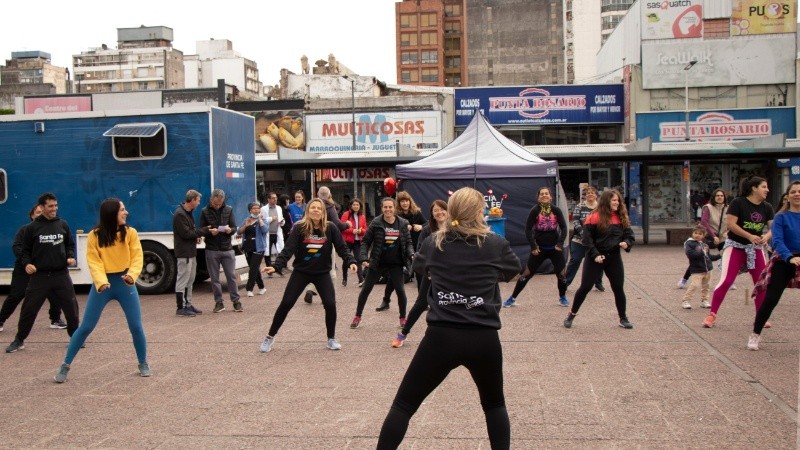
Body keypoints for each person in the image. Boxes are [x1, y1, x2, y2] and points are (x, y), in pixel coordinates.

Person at [376, 187, 520, 449]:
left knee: (404, 405)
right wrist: (486, 274)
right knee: (494, 405)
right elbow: (514, 271)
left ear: (451, 212)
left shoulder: (435, 242)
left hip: (442, 337)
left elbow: (418, 267)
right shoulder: (494, 243)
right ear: (479, 213)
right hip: (483, 337)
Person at [53, 198, 150, 383]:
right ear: (111, 213)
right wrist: (101, 282)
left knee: (136, 326)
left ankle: (143, 362)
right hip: (102, 285)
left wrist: (132, 275)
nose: (126, 212)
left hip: (125, 283)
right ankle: (65, 365)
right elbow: (94, 261)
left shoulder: (130, 233)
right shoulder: (94, 235)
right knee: (86, 327)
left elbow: (137, 256)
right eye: (122, 209)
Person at [258, 198, 357, 353]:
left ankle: (331, 339)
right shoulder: (300, 228)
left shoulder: (330, 228)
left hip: (322, 273)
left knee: (330, 304)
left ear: (323, 212)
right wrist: (276, 266)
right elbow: (288, 250)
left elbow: (342, 248)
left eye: (319, 208)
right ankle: (269, 337)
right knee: (286, 303)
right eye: (313, 208)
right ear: (308, 211)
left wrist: (350, 260)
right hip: (301, 272)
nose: (316, 210)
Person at [6, 192, 81, 353]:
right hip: (39, 277)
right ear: (41, 207)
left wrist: (70, 257)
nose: (54, 209)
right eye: (50, 206)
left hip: (61, 275)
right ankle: (19, 340)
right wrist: (27, 264)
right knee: (28, 309)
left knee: (71, 308)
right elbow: (24, 251)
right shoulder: (31, 228)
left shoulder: (62, 224)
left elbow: (69, 245)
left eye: (56, 205)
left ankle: (75, 338)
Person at [702, 176, 774, 328]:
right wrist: (749, 236)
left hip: (756, 249)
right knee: (727, 281)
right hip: (736, 246)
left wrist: (766, 237)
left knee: (761, 283)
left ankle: (760, 317)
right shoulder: (738, 203)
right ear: (754, 188)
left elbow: (772, 228)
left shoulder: (767, 207)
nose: (767, 190)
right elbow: (731, 224)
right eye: (764, 187)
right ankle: (712, 314)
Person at [563, 189, 635, 330]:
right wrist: (595, 254)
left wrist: (627, 242)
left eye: (618, 200)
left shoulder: (621, 217)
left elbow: (629, 235)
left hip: (613, 257)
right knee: (585, 287)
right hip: (595, 257)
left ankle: (623, 317)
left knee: (618, 288)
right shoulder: (594, 217)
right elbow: (587, 240)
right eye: (614, 200)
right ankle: (571, 314)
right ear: (606, 201)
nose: (617, 202)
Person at [747, 181, 800, 350]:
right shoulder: (781, 217)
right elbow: (777, 241)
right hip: (784, 260)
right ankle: (755, 334)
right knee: (771, 299)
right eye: (794, 192)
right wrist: (789, 257)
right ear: (788, 196)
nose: (797, 194)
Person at [390, 199, 448, 348]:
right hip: (430, 273)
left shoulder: (454, 229)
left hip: (449, 275)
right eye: (436, 210)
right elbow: (420, 252)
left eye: (442, 209)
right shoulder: (427, 230)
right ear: (432, 214)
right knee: (421, 302)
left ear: (448, 212)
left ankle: (451, 336)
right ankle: (403, 334)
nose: (439, 212)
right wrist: (427, 270)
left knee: (449, 303)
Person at [0, 204, 66, 332]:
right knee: (16, 295)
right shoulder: (25, 230)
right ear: (32, 216)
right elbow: (17, 247)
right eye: (37, 213)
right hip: (24, 268)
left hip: (45, 269)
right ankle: (1, 320)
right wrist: (27, 263)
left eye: (42, 212)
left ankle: (56, 320)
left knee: (54, 293)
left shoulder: (54, 230)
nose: (40, 215)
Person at [351, 197, 414, 330]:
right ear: (382, 208)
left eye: (390, 207)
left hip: (396, 263)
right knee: (366, 289)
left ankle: (403, 318)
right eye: (385, 207)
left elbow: (408, 243)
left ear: (394, 208)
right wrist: (363, 258)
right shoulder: (376, 222)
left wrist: (411, 254)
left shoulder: (402, 223)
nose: (388, 209)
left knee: (400, 291)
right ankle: (357, 316)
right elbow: (366, 241)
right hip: (378, 262)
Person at [503, 186, 569, 308]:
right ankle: (512, 299)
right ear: (538, 197)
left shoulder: (556, 210)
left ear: (550, 196)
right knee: (526, 275)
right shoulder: (535, 210)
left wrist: (560, 244)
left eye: (546, 194)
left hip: (555, 249)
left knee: (562, 275)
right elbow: (528, 229)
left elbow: (564, 228)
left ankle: (562, 297)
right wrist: (533, 246)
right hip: (539, 249)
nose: (544, 195)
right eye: (541, 194)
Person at [376, 190, 426, 312]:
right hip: (400, 250)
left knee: (420, 274)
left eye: (406, 201)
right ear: (399, 203)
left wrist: (421, 226)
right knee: (394, 277)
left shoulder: (417, 213)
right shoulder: (396, 215)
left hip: (415, 247)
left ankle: (422, 302)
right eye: (402, 201)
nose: (405, 203)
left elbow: (427, 223)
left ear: (410, 202)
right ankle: (386, 300)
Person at [302, 186, 351, 304]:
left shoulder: (311, 206)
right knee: (330, 268)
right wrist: (347, 225)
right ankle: (329, 295)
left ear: (318, 195)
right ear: (329, 195)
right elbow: (337, 224)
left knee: (312, 266)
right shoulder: (329, 207)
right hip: (326, 240)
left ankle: (309, 289)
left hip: (311, 240)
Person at [200, 189, 242, 313]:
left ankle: (236, 301)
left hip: (227, 248)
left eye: (219, 203)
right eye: (215, 203)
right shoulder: (204, 211)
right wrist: (209, 231)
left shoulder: (229, 209)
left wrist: (231, 230)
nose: (217, 206)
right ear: (211, 199)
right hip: (212, 249)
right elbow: (201, 229)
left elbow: (234, 227)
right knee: (214, 279)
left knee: (231, 277)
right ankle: (219, 302)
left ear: (223, 200)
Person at [679, 188, 728, 288]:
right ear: (713, 197)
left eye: (721, 196)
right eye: (717, 195)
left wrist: (727, 232)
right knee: (701, 258)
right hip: (709, 236)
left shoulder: (728, 208)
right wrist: (713, 235)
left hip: (722, 236)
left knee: (727, 257)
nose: (719, 197)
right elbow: (704, 222)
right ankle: (684, 279)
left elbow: (732, 222)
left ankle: (727, 281)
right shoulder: (708, 207)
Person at [564, 186, 604, 292]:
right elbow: (576, 221)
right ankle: (566, 282)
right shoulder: (579, 206)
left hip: (596, 241)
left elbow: (604, 222)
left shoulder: (602, 207)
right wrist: (584, 234)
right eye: (587, 193)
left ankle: (598, 282)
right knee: (575, 260)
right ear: (585, 195)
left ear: (596, 195)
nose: (590, 195)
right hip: (579, 240)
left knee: (598, 261)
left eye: (592, 193)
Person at [172, 189, 205, 317]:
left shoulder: (188, 212)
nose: (198, 203)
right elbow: (186, 234)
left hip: (190, 251)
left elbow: (190, 231)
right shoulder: (180, 214)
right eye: (198, 200)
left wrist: (195, 236)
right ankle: (180, 308)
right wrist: (203, 231)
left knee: (190, 279)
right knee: (182, 280)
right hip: (184, 252)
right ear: (192, 200)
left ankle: (188, 304)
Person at [681, 225, 720, 309]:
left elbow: (709, 257)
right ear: (692, 233)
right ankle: (686, 300)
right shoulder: (689, 243)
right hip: (697, 269)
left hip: (708, 270)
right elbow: (690, 254)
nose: (697, 235)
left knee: (706, 286)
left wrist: (719, 256)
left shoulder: (705, 245)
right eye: (695, 233)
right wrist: (702, 252)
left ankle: (704, 300)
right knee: (694, 285)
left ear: (703, 235)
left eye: (700, 234)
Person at [239, 202, 268, 297]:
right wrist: (245, 226)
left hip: (259, 247)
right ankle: (262, 287)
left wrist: (260, 220)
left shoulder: (263, 219)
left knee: (253, 268)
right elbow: (239, 231)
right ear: (250, 210)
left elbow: (265, 231)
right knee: (254, 268)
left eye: (258, 208)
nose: (256, 210)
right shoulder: (246, 220)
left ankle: (249, 289)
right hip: (248, 247)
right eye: (254, 208)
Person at [340, 198, 367, 287]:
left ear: (360, 206)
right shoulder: (346, 214)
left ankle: (361, 280)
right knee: (346, 260)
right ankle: (344, 278)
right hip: (348, 240)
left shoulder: (362, 216)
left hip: (357, 241)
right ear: (351, 206)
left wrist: (360, 231)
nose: (356, 206)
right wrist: (353, 231)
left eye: (357, 205)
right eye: (354, 205)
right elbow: (342, 227)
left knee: (358, 259)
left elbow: (365, 229)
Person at [261, 192, 285, 275]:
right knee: (268, 253)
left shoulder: (279, 208)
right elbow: (262, 221)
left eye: (276, 198)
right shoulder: (264, 209)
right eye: (273, 198)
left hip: (277, 233)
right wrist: (271, 218)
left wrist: (282, 222)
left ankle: (279, 268)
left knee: (280, 251)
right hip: (268, 234)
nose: (275, 199)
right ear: (268, 199)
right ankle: (269, 271)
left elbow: (281, 218)